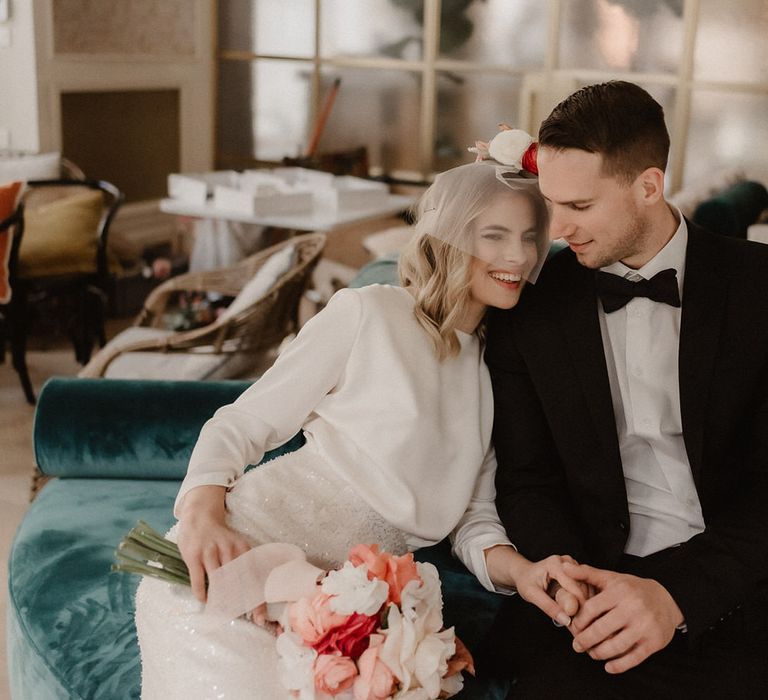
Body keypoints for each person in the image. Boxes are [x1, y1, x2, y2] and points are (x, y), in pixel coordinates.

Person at [134, 160, 584, 699]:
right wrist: (203, 512)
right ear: (451, 236)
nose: (519, 255)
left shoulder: (493, 376)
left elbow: (473, 520)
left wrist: (527, 573)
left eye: (531, 238)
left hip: (341, 610)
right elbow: (245, 421)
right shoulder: (368, 313)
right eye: (495, 235)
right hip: (234, 557)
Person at [484, 80, 768, 698]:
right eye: (551, 203)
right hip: (589, 590)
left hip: (739, 584)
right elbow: (526, 479)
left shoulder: (758, 291)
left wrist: (676, 597)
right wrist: (568, 577)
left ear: (649, 185)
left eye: (580, 207)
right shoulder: (528, 307)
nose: (556, 229)